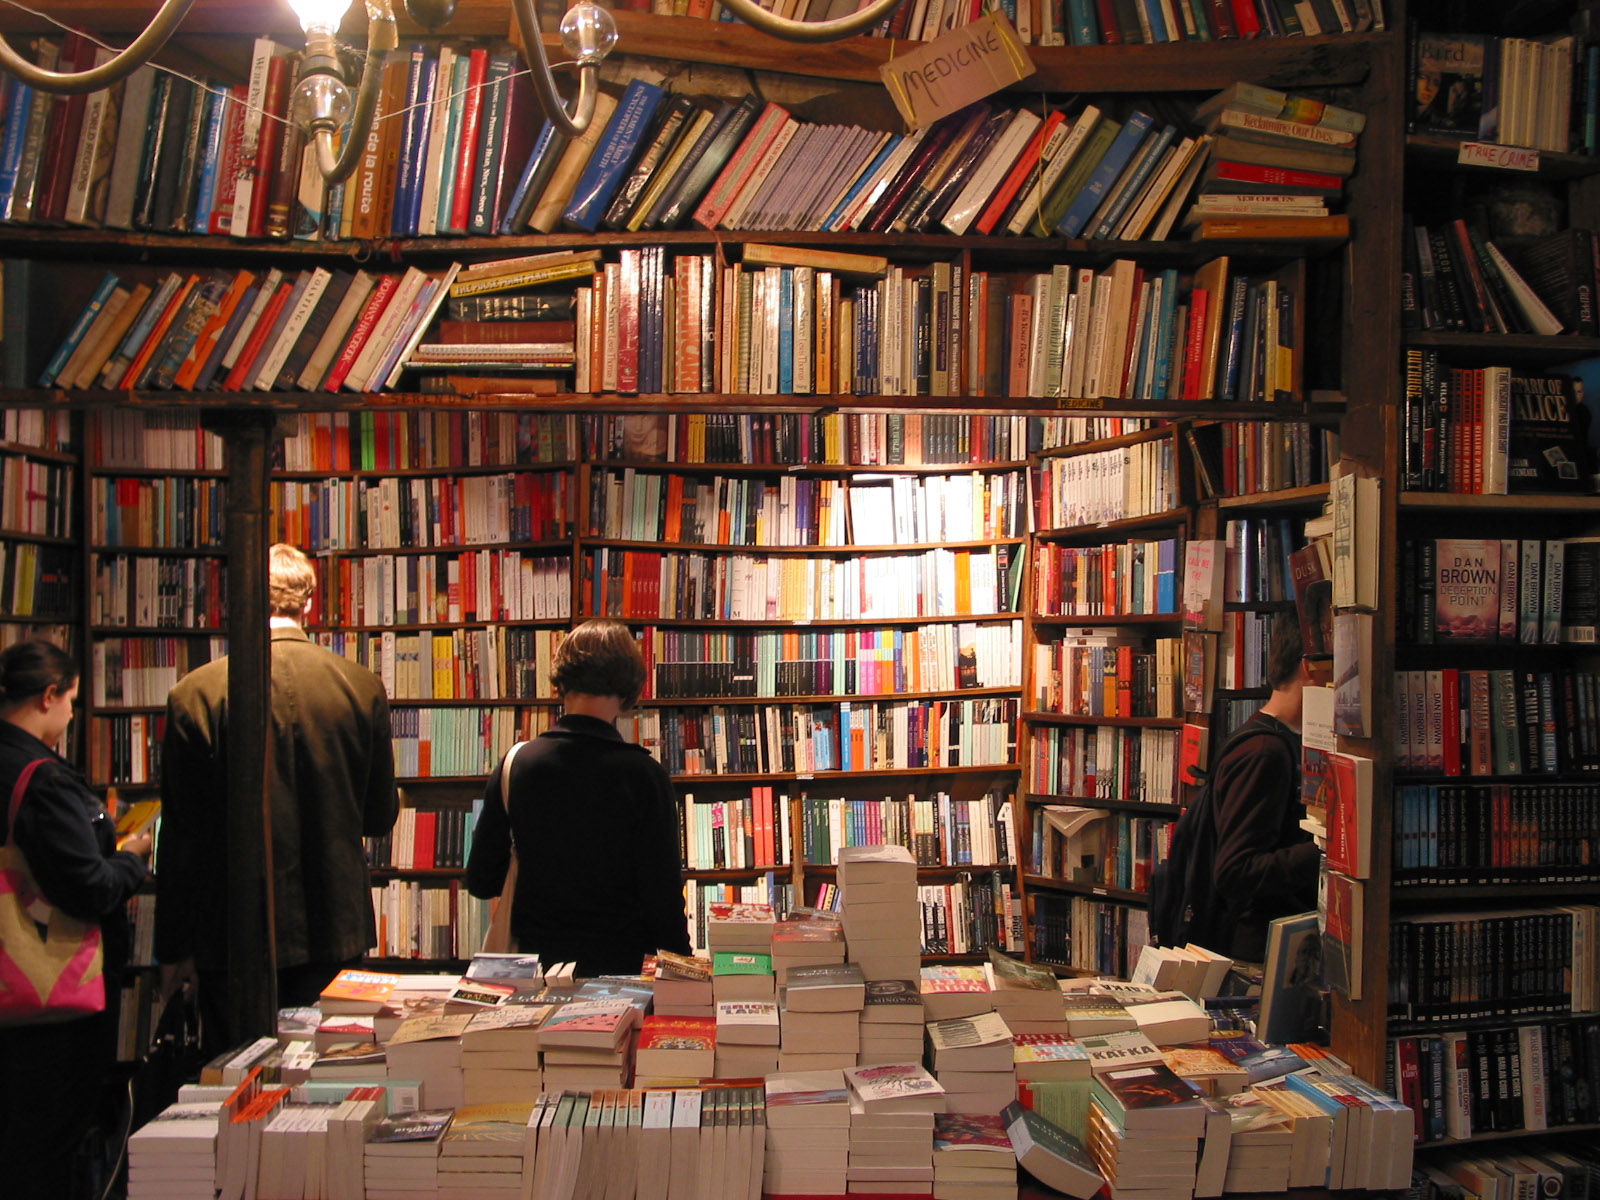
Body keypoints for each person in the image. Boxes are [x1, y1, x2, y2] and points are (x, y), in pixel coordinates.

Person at [156, 544, 399, 1053]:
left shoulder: (195, 694)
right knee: (334, 1082)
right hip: (336, 924)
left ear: (237, 602)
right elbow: (378, 817)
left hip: (232, 931)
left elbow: (183, 838)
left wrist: (175, 947)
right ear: (308, 602)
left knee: (239, 1083)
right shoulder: (360, 686)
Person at [0, 639, 151, 1199]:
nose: (71, 717)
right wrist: (131, 856)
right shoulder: (41, 778)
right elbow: (88, 888)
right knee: (44, 1146)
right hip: (49, 1000)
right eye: (70, 703)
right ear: (48, 696)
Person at [467, 619, 690, 976]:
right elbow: (662, 898)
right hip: (621, 976)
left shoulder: (516, 764)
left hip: (534, 970)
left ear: (562, 679)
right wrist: (684, 971)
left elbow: (482, 882)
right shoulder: (645, 776)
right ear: (628, 685)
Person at [1209, 612, 1320, 963]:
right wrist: (1325, 854)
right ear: (1309, 668)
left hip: (1268, 943)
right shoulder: (1264, 751)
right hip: (1259, 950)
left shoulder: (1275, 741)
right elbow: (1235, 871)